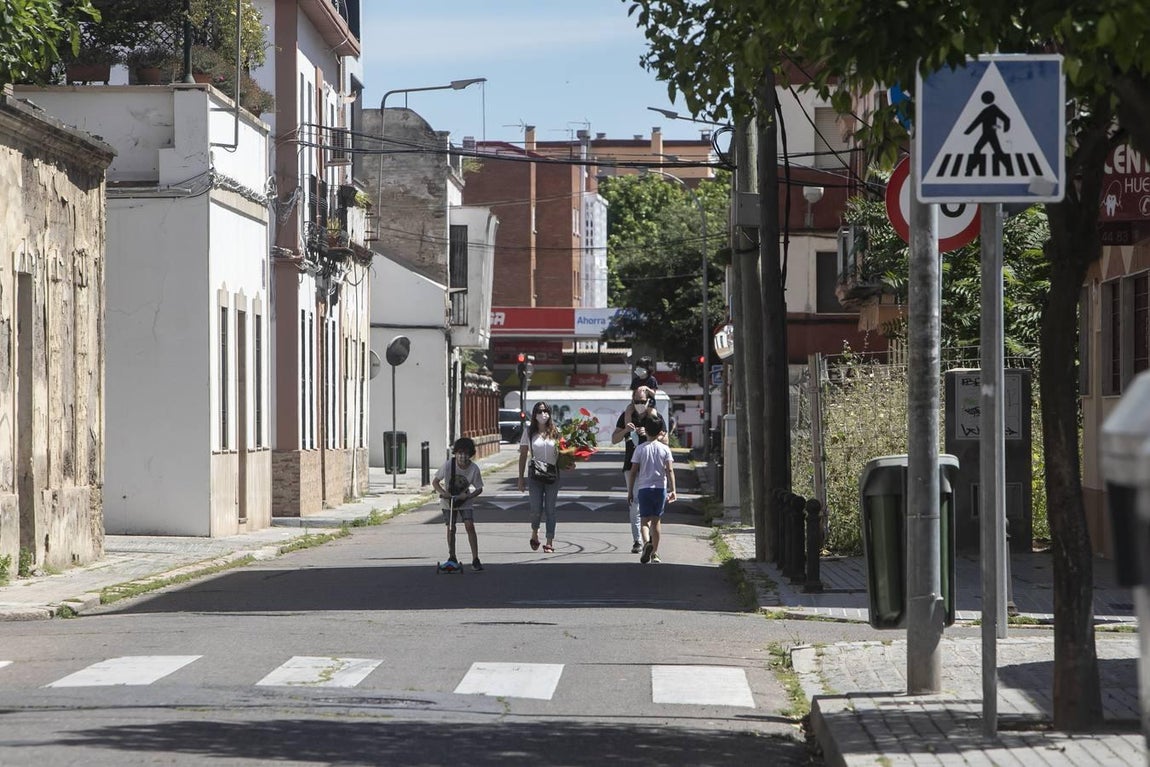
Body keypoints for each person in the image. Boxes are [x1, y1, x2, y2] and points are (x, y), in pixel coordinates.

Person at [612, 385, 658, 553]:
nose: (640, 404)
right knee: (635, 503)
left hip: (651, 466)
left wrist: (649, 433)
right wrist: (626, 430)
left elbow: (665, 439)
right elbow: (614, 439)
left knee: (651, 503)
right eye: (636, 401)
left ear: (648, 401)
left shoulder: (653, 416)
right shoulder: (626, 416)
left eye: (643, 401)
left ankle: (651, 536)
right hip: (631, 466)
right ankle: (638, 540)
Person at [628, 413, 676, 564]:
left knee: (644, 521)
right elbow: (669, 470)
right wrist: (673, 489)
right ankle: (654, 552)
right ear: (660, 431)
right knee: (656, 521)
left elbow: (633, 471)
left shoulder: (640, 449)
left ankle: (647, 542)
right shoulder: (665, 449)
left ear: (646, 431)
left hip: (644, 488)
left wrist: (630, 491)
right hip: (660, 489)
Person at [432, 437, 485, 571]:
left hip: (464, 500)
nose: (463, 456)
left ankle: (475, 558)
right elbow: (435, 482)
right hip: (448, 501)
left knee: (469, 525)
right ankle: (452, 556)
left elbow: (479, 488)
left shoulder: (474, 469)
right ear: (456, 453)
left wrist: (468, 495)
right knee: (451, 527)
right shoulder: (449, 465)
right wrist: (444, 492)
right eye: (460, 453)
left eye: (466, 453)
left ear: (470, 454)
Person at [518, 401, 562, 553]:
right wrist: (520, 478)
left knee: (550, 509)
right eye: (539, 411)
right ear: (534, 414)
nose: (543, 414)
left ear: (549, 414)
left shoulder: (556, 431)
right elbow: (523, 455)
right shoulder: (528, 432)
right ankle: (535, 533)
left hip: (552, 474)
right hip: (535, 475)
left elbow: (563, 453)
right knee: (536, 508)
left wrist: (569, 463)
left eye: (545, 411)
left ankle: (549, 541)